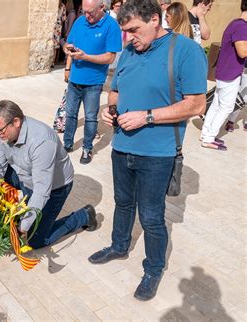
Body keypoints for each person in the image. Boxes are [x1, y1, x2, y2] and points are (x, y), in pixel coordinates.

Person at [88, 0, 207, 301]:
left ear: (155, 19)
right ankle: (119, 245)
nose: (129, 38)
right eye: (125, 32)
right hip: (122, 146)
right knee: (123, 202)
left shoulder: (185, 51)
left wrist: (147, 116)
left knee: (152, 216)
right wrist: (110, 109)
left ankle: (153, 267)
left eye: (134, 30)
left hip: (158, 152)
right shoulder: (129, 51)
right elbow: (115, 90)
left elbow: (196, 104)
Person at [0, 100, 98, 249]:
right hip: (24, 175)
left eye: (0, 130)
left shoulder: (41, 141)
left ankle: (84, 215)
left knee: (36, 240)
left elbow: (41, 190)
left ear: (16, 121)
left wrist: (22, 228)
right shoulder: (2, 131)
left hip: (54, 188)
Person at [62, 0, 122, 164]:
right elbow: (68, 44)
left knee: (90, 117)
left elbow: (110, 57)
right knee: (71, 114)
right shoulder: (80, 20)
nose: (86, 16)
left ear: (102, 7)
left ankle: (87, 148)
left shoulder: (111, 26)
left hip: (93, 83)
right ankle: (66, 144)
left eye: (91, 13)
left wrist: (85, 57)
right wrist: (67, 52)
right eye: (84, 11)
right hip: (75, 79)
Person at [201, 1, 247, 149]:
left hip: (225, 71)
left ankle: (206, 134)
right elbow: (243, 52)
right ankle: (209, 138)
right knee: (226, 107)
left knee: (217, 104)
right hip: (230, 73)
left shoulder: (235, 23)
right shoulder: (242, 27)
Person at [53, 0, 67, 67]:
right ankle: (53, 62)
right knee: (56, 45)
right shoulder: (63, 6)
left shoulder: (54, 5)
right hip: (58, 27)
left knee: (51, 43)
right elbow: (64, 18)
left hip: (52, 26)